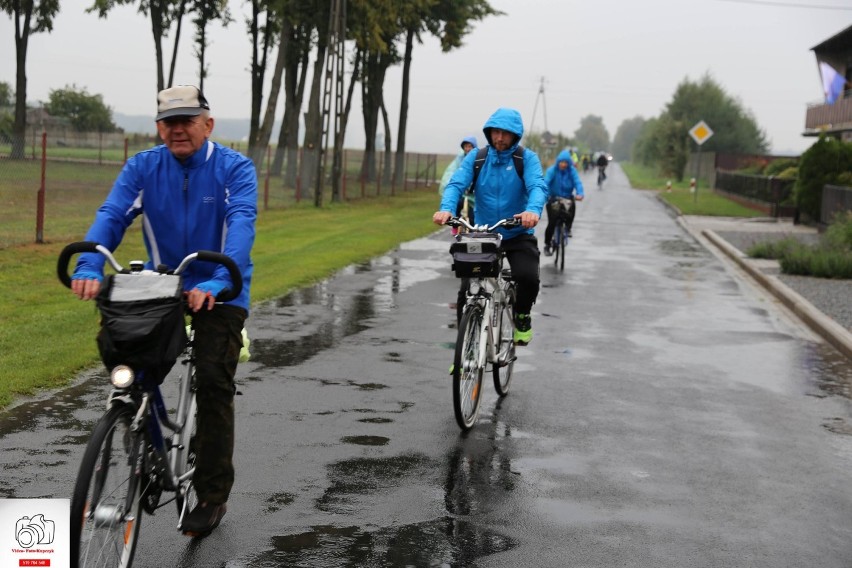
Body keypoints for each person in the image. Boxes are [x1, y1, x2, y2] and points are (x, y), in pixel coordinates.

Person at [69, 85, 257, 537]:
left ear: (207, 124)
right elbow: (113, 214)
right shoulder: (143, 167)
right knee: (130, 366)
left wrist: (217, 281)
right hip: (164, 285)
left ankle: (212, 494)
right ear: (159, 127)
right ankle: (144, 441)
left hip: (222, 286)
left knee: (212, 380)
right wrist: (91, 261)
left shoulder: (235, 168)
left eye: (187, 120)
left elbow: (241, 225)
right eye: (169, 122)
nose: (177, 130)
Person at [433, 107, 548, 345]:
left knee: (527, 277)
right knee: (467, 291)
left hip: (517, 232)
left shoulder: (526, 159)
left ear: (515, 135)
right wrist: (447, 208)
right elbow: (456, 184)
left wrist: (532, 211)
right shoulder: (477, 158)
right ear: (489, 132)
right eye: (495, 132)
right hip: (483, 233)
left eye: (505, 133)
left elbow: (537, 186)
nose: (499, 138)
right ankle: (464, 349)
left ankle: (523, 316)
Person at [543, 149, 584, 254]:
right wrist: (545, 195)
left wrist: (580, 193)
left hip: (567, 197)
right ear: (558, 162)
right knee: (552, 222)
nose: (563, 164)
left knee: (571, 211)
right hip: (553, 198)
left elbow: (577, 182)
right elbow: (545, 183)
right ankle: (547, 244)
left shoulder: (572, 171)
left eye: (566, 162)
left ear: (569, 163)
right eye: (562, 162)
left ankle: (568, 228)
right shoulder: (552, 170)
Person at [439, 136, 478, 230]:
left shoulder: (479, 158)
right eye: (466, 146)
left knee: (473, 215)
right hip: (463, 192)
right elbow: (452, 173)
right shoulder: (459, 160)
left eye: (470, 146)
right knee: (457, 204)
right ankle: (455, 226)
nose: (468, 149)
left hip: (473, 193)